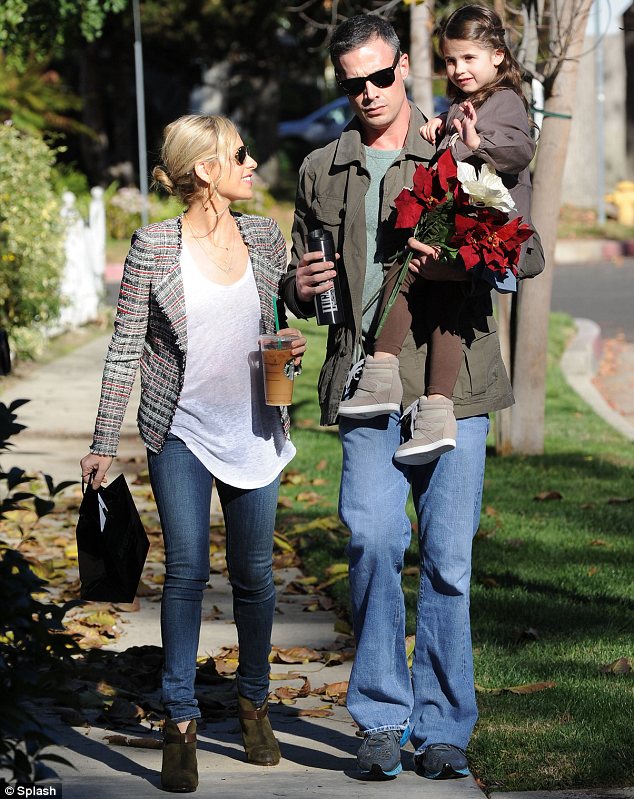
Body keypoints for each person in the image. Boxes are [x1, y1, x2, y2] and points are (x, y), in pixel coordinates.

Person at [282, 12, 543, 782]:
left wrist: (471, 246)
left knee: (448, 562)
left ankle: (442, 726)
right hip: (366, 383)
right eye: (350, 82)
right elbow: (306, 279)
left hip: (451, 388)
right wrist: (293, 287)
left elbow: (521, 256)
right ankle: (381, 715)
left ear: (403, 68)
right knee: (370, 538)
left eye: (378, 76)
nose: (366, 92)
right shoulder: (320, 169)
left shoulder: (458, 145)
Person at [80, 114, 306, 793]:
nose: (251, 161)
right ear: (206, 169)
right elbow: (125, 349)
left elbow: (289, 316)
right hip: (179, 429)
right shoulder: (154, 246)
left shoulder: (265, 235)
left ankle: (254, 702)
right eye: (239, 153)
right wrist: (100, 443)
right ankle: (180, 720)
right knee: (185, 570)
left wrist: (291, 345)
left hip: (255, 427)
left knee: (255, 575)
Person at [338, 4, 536, 467]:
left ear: (499, 57)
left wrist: (472, 142)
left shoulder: (505, 101)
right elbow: (462, 135)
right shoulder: (471, 103)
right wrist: (443, 124)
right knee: (432, 293)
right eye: (450, 60)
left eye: (470, 58)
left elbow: (516, 149)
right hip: (465, 228)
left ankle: (390, 376)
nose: (459, 69)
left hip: (485, 230)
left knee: (409, 277)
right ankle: (423, 401)